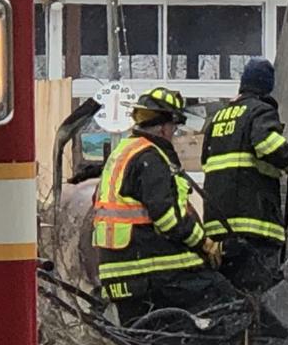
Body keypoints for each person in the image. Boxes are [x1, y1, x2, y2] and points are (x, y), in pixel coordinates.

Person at [92, 87, 230, 323]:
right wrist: (204, 243)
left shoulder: (123, 152)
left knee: (146, 343)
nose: (174, 134)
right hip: (150, 269)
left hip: (117, 274)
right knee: (221, 295)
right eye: (174, 129)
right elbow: (168, 219)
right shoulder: (151, 157)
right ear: (164, 127)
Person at [201, 57, 288, 290]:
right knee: (260, 297)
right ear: (266, 87)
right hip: (254, 227)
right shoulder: (260, 111)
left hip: (218, 230)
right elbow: (268, 145)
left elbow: (206, 161)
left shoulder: (216, 119)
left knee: (233, 297)